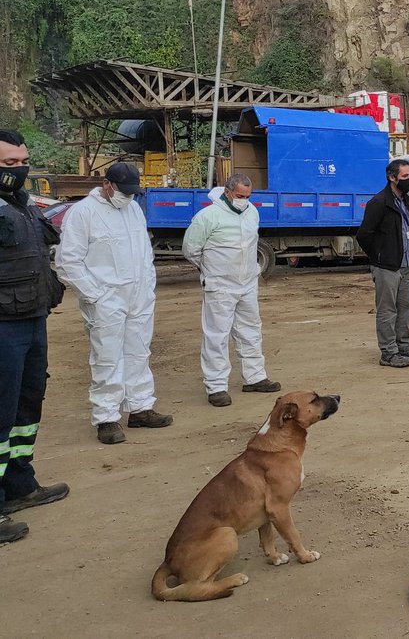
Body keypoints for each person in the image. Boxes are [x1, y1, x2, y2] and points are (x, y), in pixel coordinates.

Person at [56, 162, 173, 444]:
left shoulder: (133, 208)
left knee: (138, 352)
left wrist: (147, 284)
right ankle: (106, 417)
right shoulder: (83, 213)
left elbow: (143, 250)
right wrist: (94, 295)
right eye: (124, 191)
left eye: (134, 192)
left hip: (138, 295)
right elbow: (67, 261)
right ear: (107, 184)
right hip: (105, 297)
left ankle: (140, 407)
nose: (129, 197)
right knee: (107, 358)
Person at [0, 129, 69, 545]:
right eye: (9, 164)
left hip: (32, 319)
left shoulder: (24, 206)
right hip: (3, 326)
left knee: (27, 406)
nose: (19, 169)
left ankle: (21, 485)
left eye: (22, 161)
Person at [181, 174, 281, 406]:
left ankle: (255, 377)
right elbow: (191, 249)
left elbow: (251, 243)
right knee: (217, 335)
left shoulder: (252, 213)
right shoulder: (207, 217)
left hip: (247, 283)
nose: (243, 200)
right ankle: (216, 386)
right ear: (227, 192)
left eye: (247, 196)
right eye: (239, 196)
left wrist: (252, 270)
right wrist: (211, 269)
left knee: (251, 331)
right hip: (220, 285)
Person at [356, 158, 409, 369]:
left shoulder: (406, 200)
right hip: (386, 267)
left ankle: (403, 346)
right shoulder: (379, 203)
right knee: (387, 310)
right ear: (392, 177)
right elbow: (364, 235)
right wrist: (379, 256)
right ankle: (388, 352)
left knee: (406, 306)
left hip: (405, 265)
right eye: (405, 176)